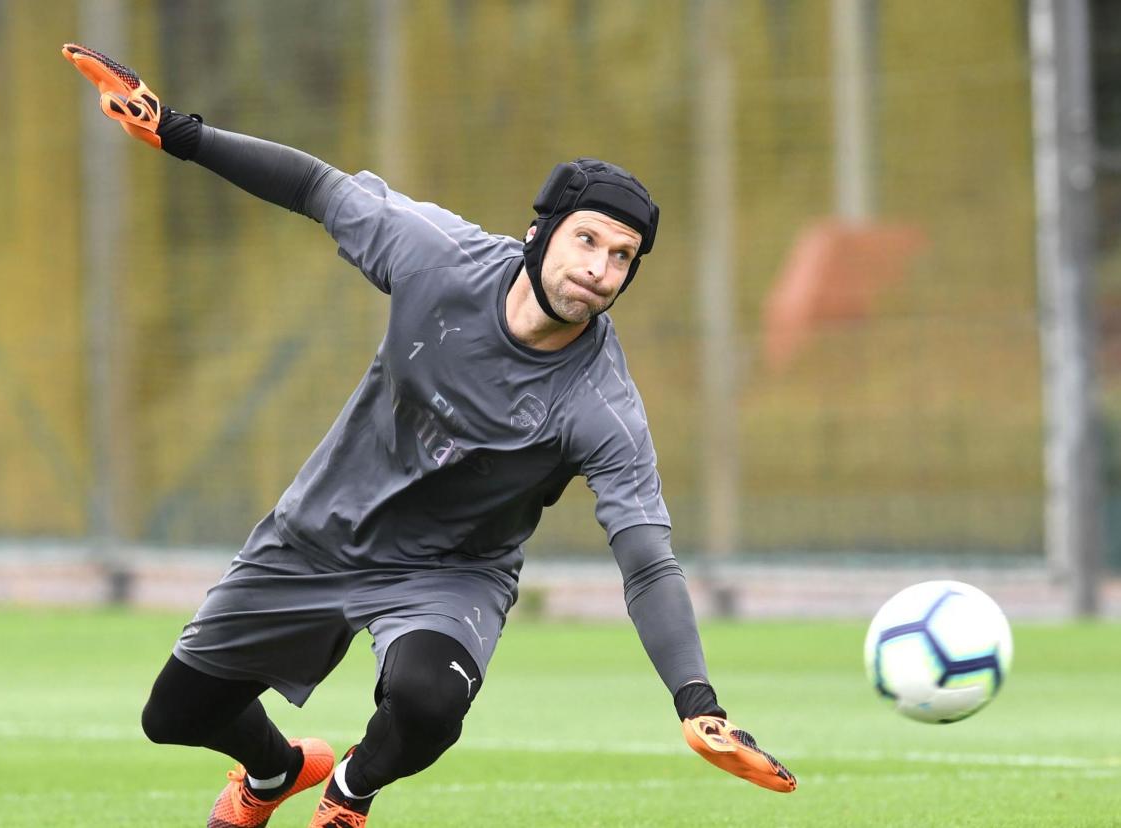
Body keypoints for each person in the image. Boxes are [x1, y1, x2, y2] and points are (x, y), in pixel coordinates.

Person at [63, 43, 797, 828]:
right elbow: (317, 188)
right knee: (174, 717)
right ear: (539, 234)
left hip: (449, 572)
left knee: (427, 700)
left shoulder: (601, 402)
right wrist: (176, 130)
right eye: (588, 240)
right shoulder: (435, 257)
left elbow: (647, 560)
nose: (601, 268)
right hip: (319, 531)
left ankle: (350, 791)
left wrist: (697, 702)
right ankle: (275, 772)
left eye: (622, 257)